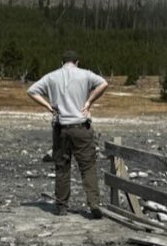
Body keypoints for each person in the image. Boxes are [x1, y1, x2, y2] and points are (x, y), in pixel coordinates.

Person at [28, 50, 109, 218]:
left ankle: (62, 206)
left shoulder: (51, 76)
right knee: (88, 167)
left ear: (62, 63)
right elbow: (103, 84)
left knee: (62, 167)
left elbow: (32, 91)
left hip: (61, 127)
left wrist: (49, 106)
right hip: (81, 126)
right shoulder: (85, 74)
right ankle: (93, 204)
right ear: (77, 62)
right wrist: (88, 102)